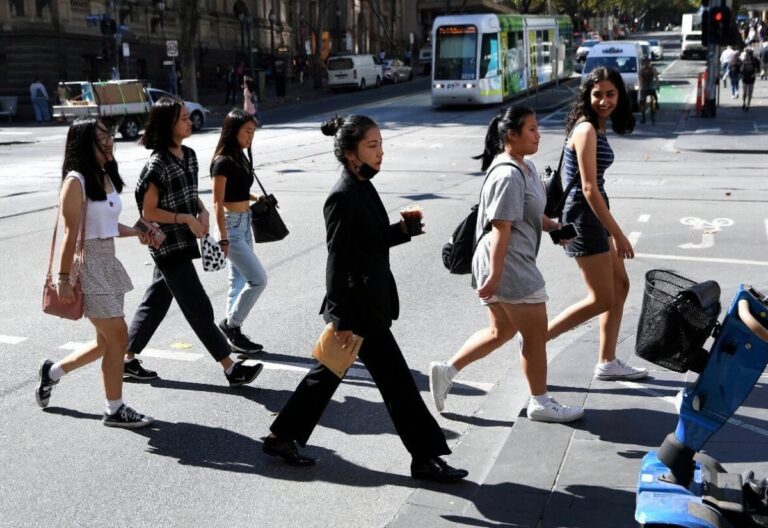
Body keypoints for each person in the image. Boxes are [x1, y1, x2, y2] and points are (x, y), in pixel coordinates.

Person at [264, 115, 468, 483]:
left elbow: (368, 242)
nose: (380, 152)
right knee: (397, 384)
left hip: (367, 305)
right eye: (372, 146)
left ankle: (282, 436)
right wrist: (341, 319)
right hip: (357, 310)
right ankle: (425, 457)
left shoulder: (362, 186)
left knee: (329, 374)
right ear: (351, 154)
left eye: (381, 144)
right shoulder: (342, 195)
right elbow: (337, 259)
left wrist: (401, 230)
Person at [428, 107, 584, 423]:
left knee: (501, 331)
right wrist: (495, 276)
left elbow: (528, 214)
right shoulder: (508, 174)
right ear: (511, 135)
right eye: (532, 129)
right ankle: (540, 402)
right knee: (535, 334)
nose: (538, 135)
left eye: (537, 127)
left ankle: (446, 371)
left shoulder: (526, 167)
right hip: (507, 263)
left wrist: (554, 227)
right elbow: (501, 226)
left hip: (504, 261)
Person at [123, 97, 264, 387]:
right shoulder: (157, 164)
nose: (190, 122)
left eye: (189, 117)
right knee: (198, 306)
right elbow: (149, 212)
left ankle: (126, 358)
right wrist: (185, 219)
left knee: (156, 302)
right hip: (167, 246)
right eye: (184, 118)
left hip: (184, 242)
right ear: (168, 124)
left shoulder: (188, 155)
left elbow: (189, 193)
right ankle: (230, 369)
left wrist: (201, 210)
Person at [36, 117, 153, 428]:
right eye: (101, 138)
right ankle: (114, 409)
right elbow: (70, 234)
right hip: (88, 266)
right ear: (84, 144)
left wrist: (138, 232)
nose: (109, 141)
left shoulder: (103, 175)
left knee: (106, 342)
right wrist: (63, 279)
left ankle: (52, 372)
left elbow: (106, 226)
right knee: (119, 335)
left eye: (109, 135)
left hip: (108, 261)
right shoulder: (76, 181)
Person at [546, 67, 647, 381]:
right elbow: (588, 188)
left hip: (594, 215)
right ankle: (537, 338)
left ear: (619, 94)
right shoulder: (587, 129)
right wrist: (619, 234)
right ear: (587, 96)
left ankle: (607, 361)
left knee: (620, 286)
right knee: (602, 298)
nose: (604, 101)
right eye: (598, 95)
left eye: (610, 94)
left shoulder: (597, 127)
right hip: (583, 217)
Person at [210, 109, 267, 354]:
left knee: (238, 280)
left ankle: (233, 334)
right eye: (247, 132)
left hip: (245, 223)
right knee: (258, 280)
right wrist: (223, 238)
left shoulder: (240, 157)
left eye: (253, 132)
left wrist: (257, 197)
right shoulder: (222, 161)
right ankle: (231, 325)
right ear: (233, 131)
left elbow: (239, 190)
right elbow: (217, 202)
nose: (250, 137)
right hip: (230, 227)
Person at [638, 57, 659, 124]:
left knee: (642, 103)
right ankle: (656, 103)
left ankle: (643, 118)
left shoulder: (641, 70)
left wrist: (641, 88)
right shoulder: (653, 69)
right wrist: (657, 85)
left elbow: (641, 80)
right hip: (651, 88)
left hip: (645, 88)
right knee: (654, 95)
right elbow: (656, 78)